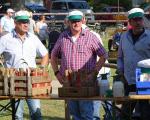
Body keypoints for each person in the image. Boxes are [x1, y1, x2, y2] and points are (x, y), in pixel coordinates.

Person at [51, 10, 107, 120]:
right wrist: (57, 73)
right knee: (75, 115)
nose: (76, 24)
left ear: (82, 21)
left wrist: (95, 72)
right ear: (68, 22)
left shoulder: (90, 36)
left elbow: (104, 55)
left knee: (86, 115)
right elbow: (53, 56)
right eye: (73, 21)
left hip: (86, 83)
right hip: (69, 82)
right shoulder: (63, 37)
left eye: (78, 21)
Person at [0, 10, 49, 120]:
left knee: (37, 114)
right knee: (17, 116)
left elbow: (45, 54)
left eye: (27, 22)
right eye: (22, 22)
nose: (25, 24)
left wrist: (41, 69)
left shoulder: (33, 38)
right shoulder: (5, 39)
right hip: (14, 82)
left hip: (32, 81)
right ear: (15, 23)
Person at [117, 8, 150, 120]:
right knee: (125, 113)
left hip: (146, 78)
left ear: (143, 20)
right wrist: (121, 72)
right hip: (128, 78)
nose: (138, 22)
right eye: (135, 20)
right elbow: (120, 57)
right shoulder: (123, 37)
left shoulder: (149, 36)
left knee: (145, 112)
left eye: (140, 19)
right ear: (130, 22)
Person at [82, 16, 110, 120]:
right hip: (96, 72)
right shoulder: (95, 34)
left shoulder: (91, 36)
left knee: (103, 99)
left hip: (99, 72)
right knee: (102, 100)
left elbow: (102, 54)